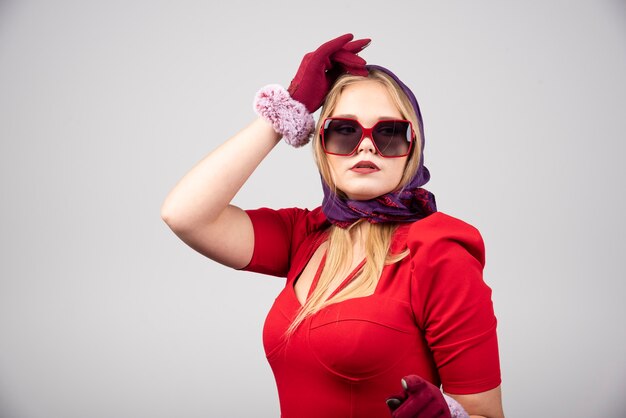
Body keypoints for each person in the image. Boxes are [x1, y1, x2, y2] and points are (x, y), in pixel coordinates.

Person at [161, 34, 504, 418]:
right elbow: (185, 213)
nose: (367, 146)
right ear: (321, 144)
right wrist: (289, 111)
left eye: (389, 133)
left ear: (413, 147)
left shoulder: (439, 250)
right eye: (345, 130)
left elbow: (487, 413)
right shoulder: (305, 233)